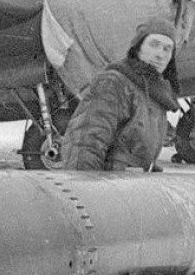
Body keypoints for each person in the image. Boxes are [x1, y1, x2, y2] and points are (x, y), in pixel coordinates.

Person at [62, 17, 180, 171]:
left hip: (132, 182)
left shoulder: (156, 94)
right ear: (138, 47)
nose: (160, 54)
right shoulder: (114, 82)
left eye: (167, 49)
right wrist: (85, 182)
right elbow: (86, 142)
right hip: (109, 182)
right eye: (154, 45)